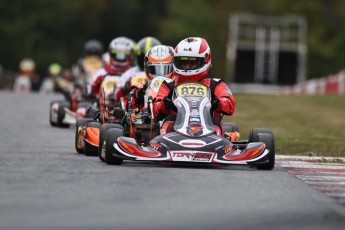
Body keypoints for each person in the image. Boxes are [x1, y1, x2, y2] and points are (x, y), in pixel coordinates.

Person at [153, 37, 236, 135]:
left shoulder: (215, 84)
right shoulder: (169, 85)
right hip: (175, 134)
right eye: (184, 63)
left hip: (209, 132)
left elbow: (230, 105)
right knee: (170, 120)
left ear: (206, 60)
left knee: (215, 123)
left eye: (192, 63)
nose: (187, 67)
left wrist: (217, 103)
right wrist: (165, 104)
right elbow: (155, 111)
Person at [114, 36, 161, 103]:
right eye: (143, 58)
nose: (146, 63)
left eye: (150, 59)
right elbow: (116, 95)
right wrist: (125, 88)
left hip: (155, 104)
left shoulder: (162, 73)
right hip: (132, 108)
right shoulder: (129, 74)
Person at [90, 36, 136, 101]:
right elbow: (92, 90)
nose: (120, 57)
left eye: (124, 54)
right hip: (103, 106)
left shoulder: (134, 72)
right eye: (117, 53)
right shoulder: (102, 72)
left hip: (128, 106)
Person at [130, 44, 175, 111]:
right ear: (146, 68)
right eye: (154, 69)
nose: (160, 75)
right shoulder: (140, 89)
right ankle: (149, 109)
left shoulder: (178, 86)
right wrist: (138, 97)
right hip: (148, 117)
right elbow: (131, 109)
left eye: (165, 69)